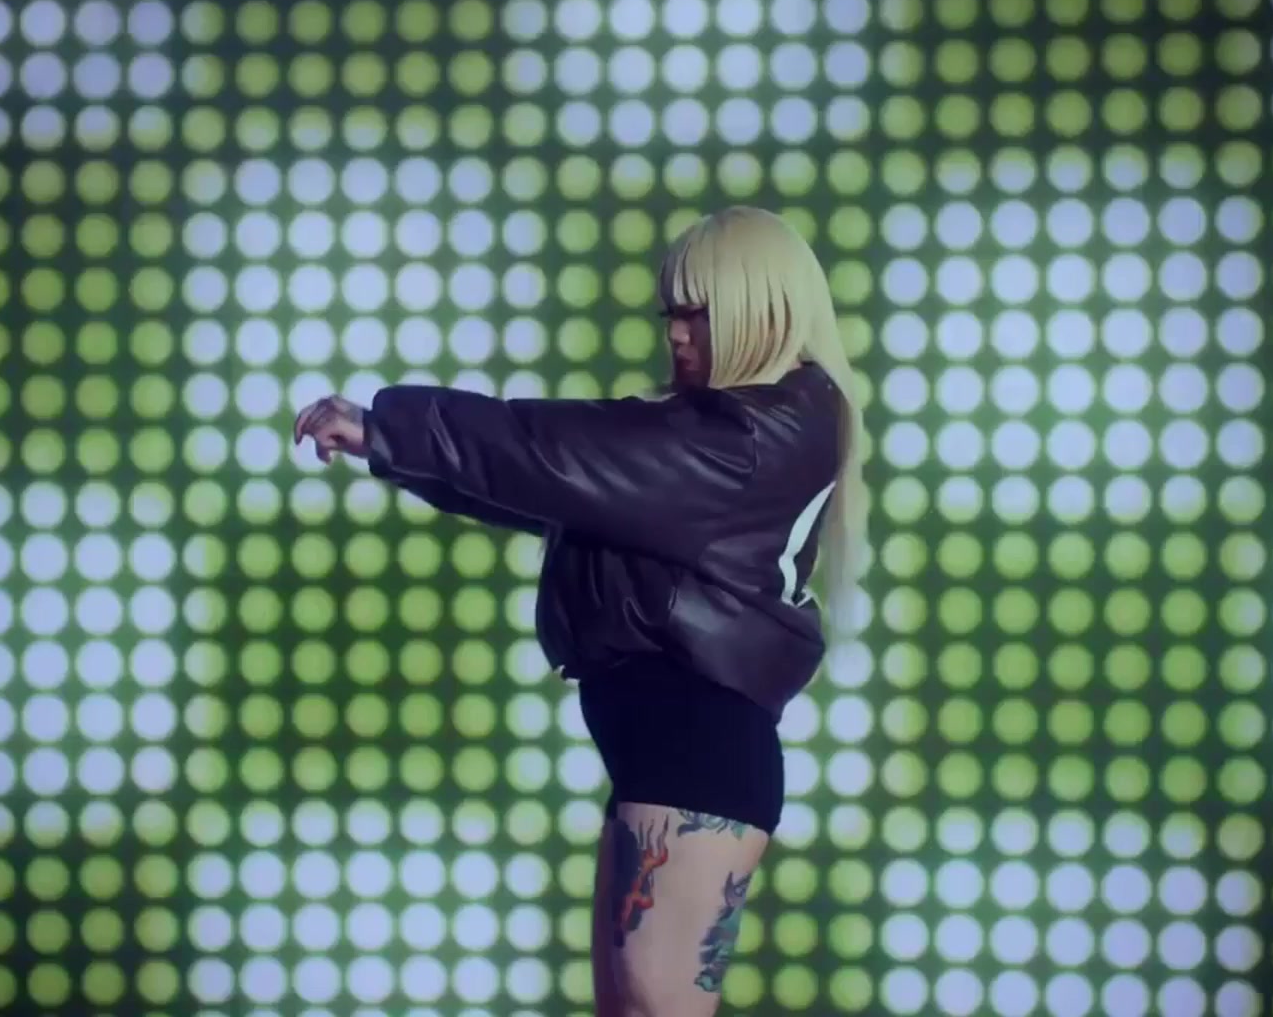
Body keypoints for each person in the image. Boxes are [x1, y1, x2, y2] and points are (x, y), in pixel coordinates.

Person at [294, 206, 868, 1017]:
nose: (675, 333)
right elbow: (555, 486)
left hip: (694, 758)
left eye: (697, 312)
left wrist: (390, 427)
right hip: (673, 759)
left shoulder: (748, 437)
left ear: (758, 305)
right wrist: (392, 448)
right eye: (670, 312)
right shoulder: (744, 430)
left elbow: (558, 455)